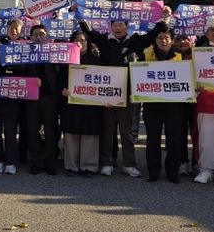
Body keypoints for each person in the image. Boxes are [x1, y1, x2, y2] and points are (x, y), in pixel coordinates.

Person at [78, 13, 170, 177]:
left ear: (127, 26)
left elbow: (154, 33)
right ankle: (107, 163)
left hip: (128, 92)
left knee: (127, 131)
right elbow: (89, 31)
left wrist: (164, 18)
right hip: (107, 91)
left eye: (121, 24)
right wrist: (80, 13)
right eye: (115, 25)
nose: (118, 28)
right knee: (107, 130)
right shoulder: (104, 40)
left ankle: (129, 164)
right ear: (111, 26)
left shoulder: (136, 40)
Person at [141, 26, 186, 183]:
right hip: (152, 104)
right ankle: (153, 171)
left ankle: (173, 172)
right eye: (160, 37)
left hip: (174, 105)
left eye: (167, 38)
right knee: (152, 139)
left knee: (174, 139)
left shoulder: (180, 57)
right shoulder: (146, 55)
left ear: (172, 41)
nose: (163, 40)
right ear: (155, 40)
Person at [60, 31, 103, 177]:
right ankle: (71, 166)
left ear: (88, 43)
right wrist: (62, 89)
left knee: (89, 135)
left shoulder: (97, 61)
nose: (80, 42)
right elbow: (59, 78)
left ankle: (89, 167)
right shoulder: (65, 60)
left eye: (83, 40)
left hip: (91, 104)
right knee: (71, 134)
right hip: (71, 102)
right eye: (76, 39)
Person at [0, 19, 25, 175]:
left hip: (11, 103)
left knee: (10, 133)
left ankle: (10, 162)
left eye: (0, 45)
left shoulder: (15, 61)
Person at [23, 24, 62, 175]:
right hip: (31, 97)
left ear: (47, 37)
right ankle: (36, 161)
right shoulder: (24, 53)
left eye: (41, 34)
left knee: (51, 130)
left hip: (50, 97)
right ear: (30, 38)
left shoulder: (55, 52)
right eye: (35, 34)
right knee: (33, 130)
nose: (38, 37)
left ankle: (49, 161)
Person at [194, 15, 214, 184]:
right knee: (207, 135)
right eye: (212, 29)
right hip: (207, 99)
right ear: (206, 33)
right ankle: (206, 169)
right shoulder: (199, 52)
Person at [174, 34, 195, 175]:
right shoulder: (171, 56)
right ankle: (183, 162)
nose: (182, 42)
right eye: (178, 39)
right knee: (180, 133)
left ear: (191, 42)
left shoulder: (199, 55)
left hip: (196, 101)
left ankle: (196, 161)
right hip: (177, 102)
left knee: (197, 133)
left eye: (186, 39)